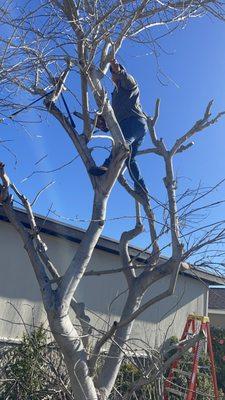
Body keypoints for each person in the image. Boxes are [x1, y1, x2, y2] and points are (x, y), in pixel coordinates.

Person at [89, 59, 148, 197]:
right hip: (131, 127)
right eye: (112, 74)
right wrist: (101, 123)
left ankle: (107, 165)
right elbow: (111, 118)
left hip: (134, 122)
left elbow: (127, 78)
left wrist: (117, 69)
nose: (113, 76)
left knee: (121, 146)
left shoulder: (129, 85)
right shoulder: (115, 95)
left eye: (114, 73)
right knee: (129, 159)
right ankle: (141, 187)